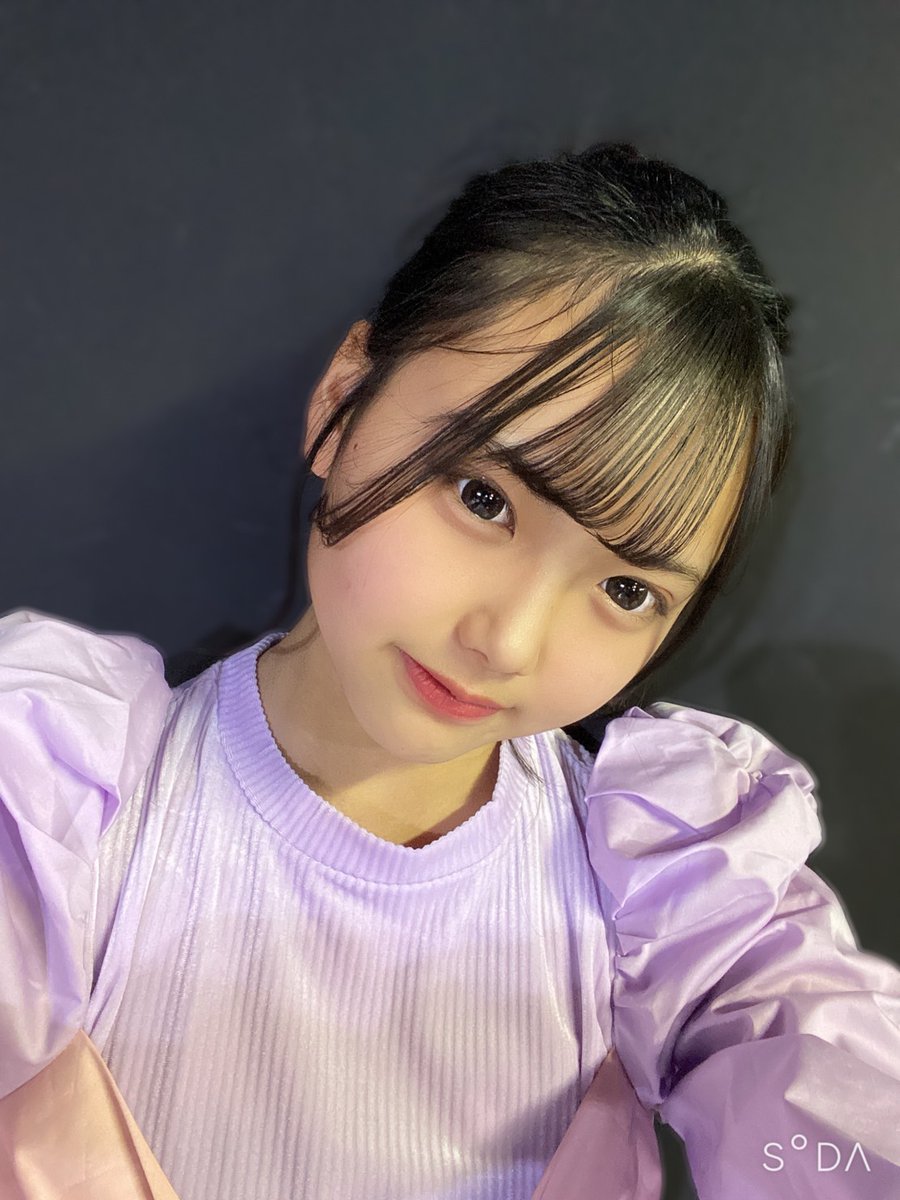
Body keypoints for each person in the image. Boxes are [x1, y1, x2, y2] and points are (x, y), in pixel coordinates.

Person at [1, 143, 898, 1200]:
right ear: (344, 400)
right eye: (484, 498)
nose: (509, 642)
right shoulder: (59, 803)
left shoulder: (672, 894)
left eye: (625, 590)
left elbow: (835, 1130)